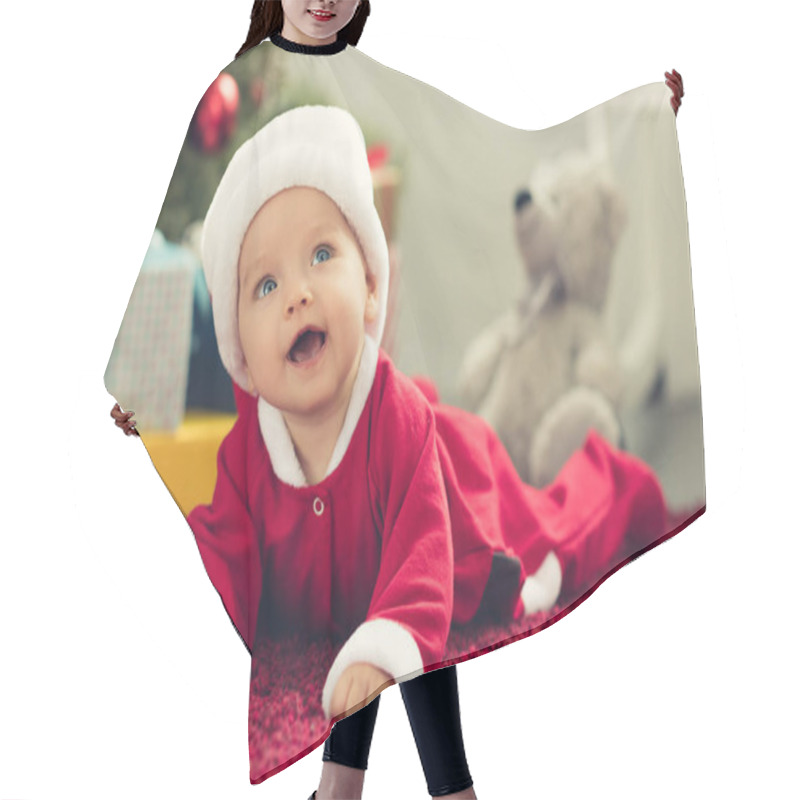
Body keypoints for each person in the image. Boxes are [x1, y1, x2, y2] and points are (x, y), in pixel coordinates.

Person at [108, 5, 684, 800]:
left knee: (454, 579)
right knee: (363, 606)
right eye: (266, 285)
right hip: (370, 522)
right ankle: (343, 781)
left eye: (322, 256)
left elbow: (416, 582)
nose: (297, 295)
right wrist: (140, 393)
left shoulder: (394, 412)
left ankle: (449, 788)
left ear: (372, 279)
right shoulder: (235, 83)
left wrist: (641, 114)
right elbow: (238, 541)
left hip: (451, 493)